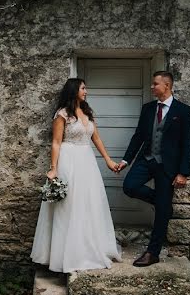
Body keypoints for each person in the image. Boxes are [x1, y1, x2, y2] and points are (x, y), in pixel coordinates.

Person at [31, 78, 122, 273]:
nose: (86, 91)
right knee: (69, 205)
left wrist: (108, 160)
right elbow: (56, 142)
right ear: (74, 90)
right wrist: (53, 168)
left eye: (85, 88)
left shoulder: (87, 112)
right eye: (83, 88)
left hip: (86, 161)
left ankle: (88, 247)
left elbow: (95, 137)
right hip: (69, 160)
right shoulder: (62, 114)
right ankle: (67, 254)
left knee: (89, 203)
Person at [117, 71, 190, 267]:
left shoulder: (184, 111)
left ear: (167, 86)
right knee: (130, 186)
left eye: (155, 84)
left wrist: (183, 173)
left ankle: (153, 252)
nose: (152, 87)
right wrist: (126, 160)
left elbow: (188, 144)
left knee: (161, 212)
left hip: (168, 166)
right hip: (146, 159)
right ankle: (163, 204)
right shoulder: (148, 108)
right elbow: (138, 136)